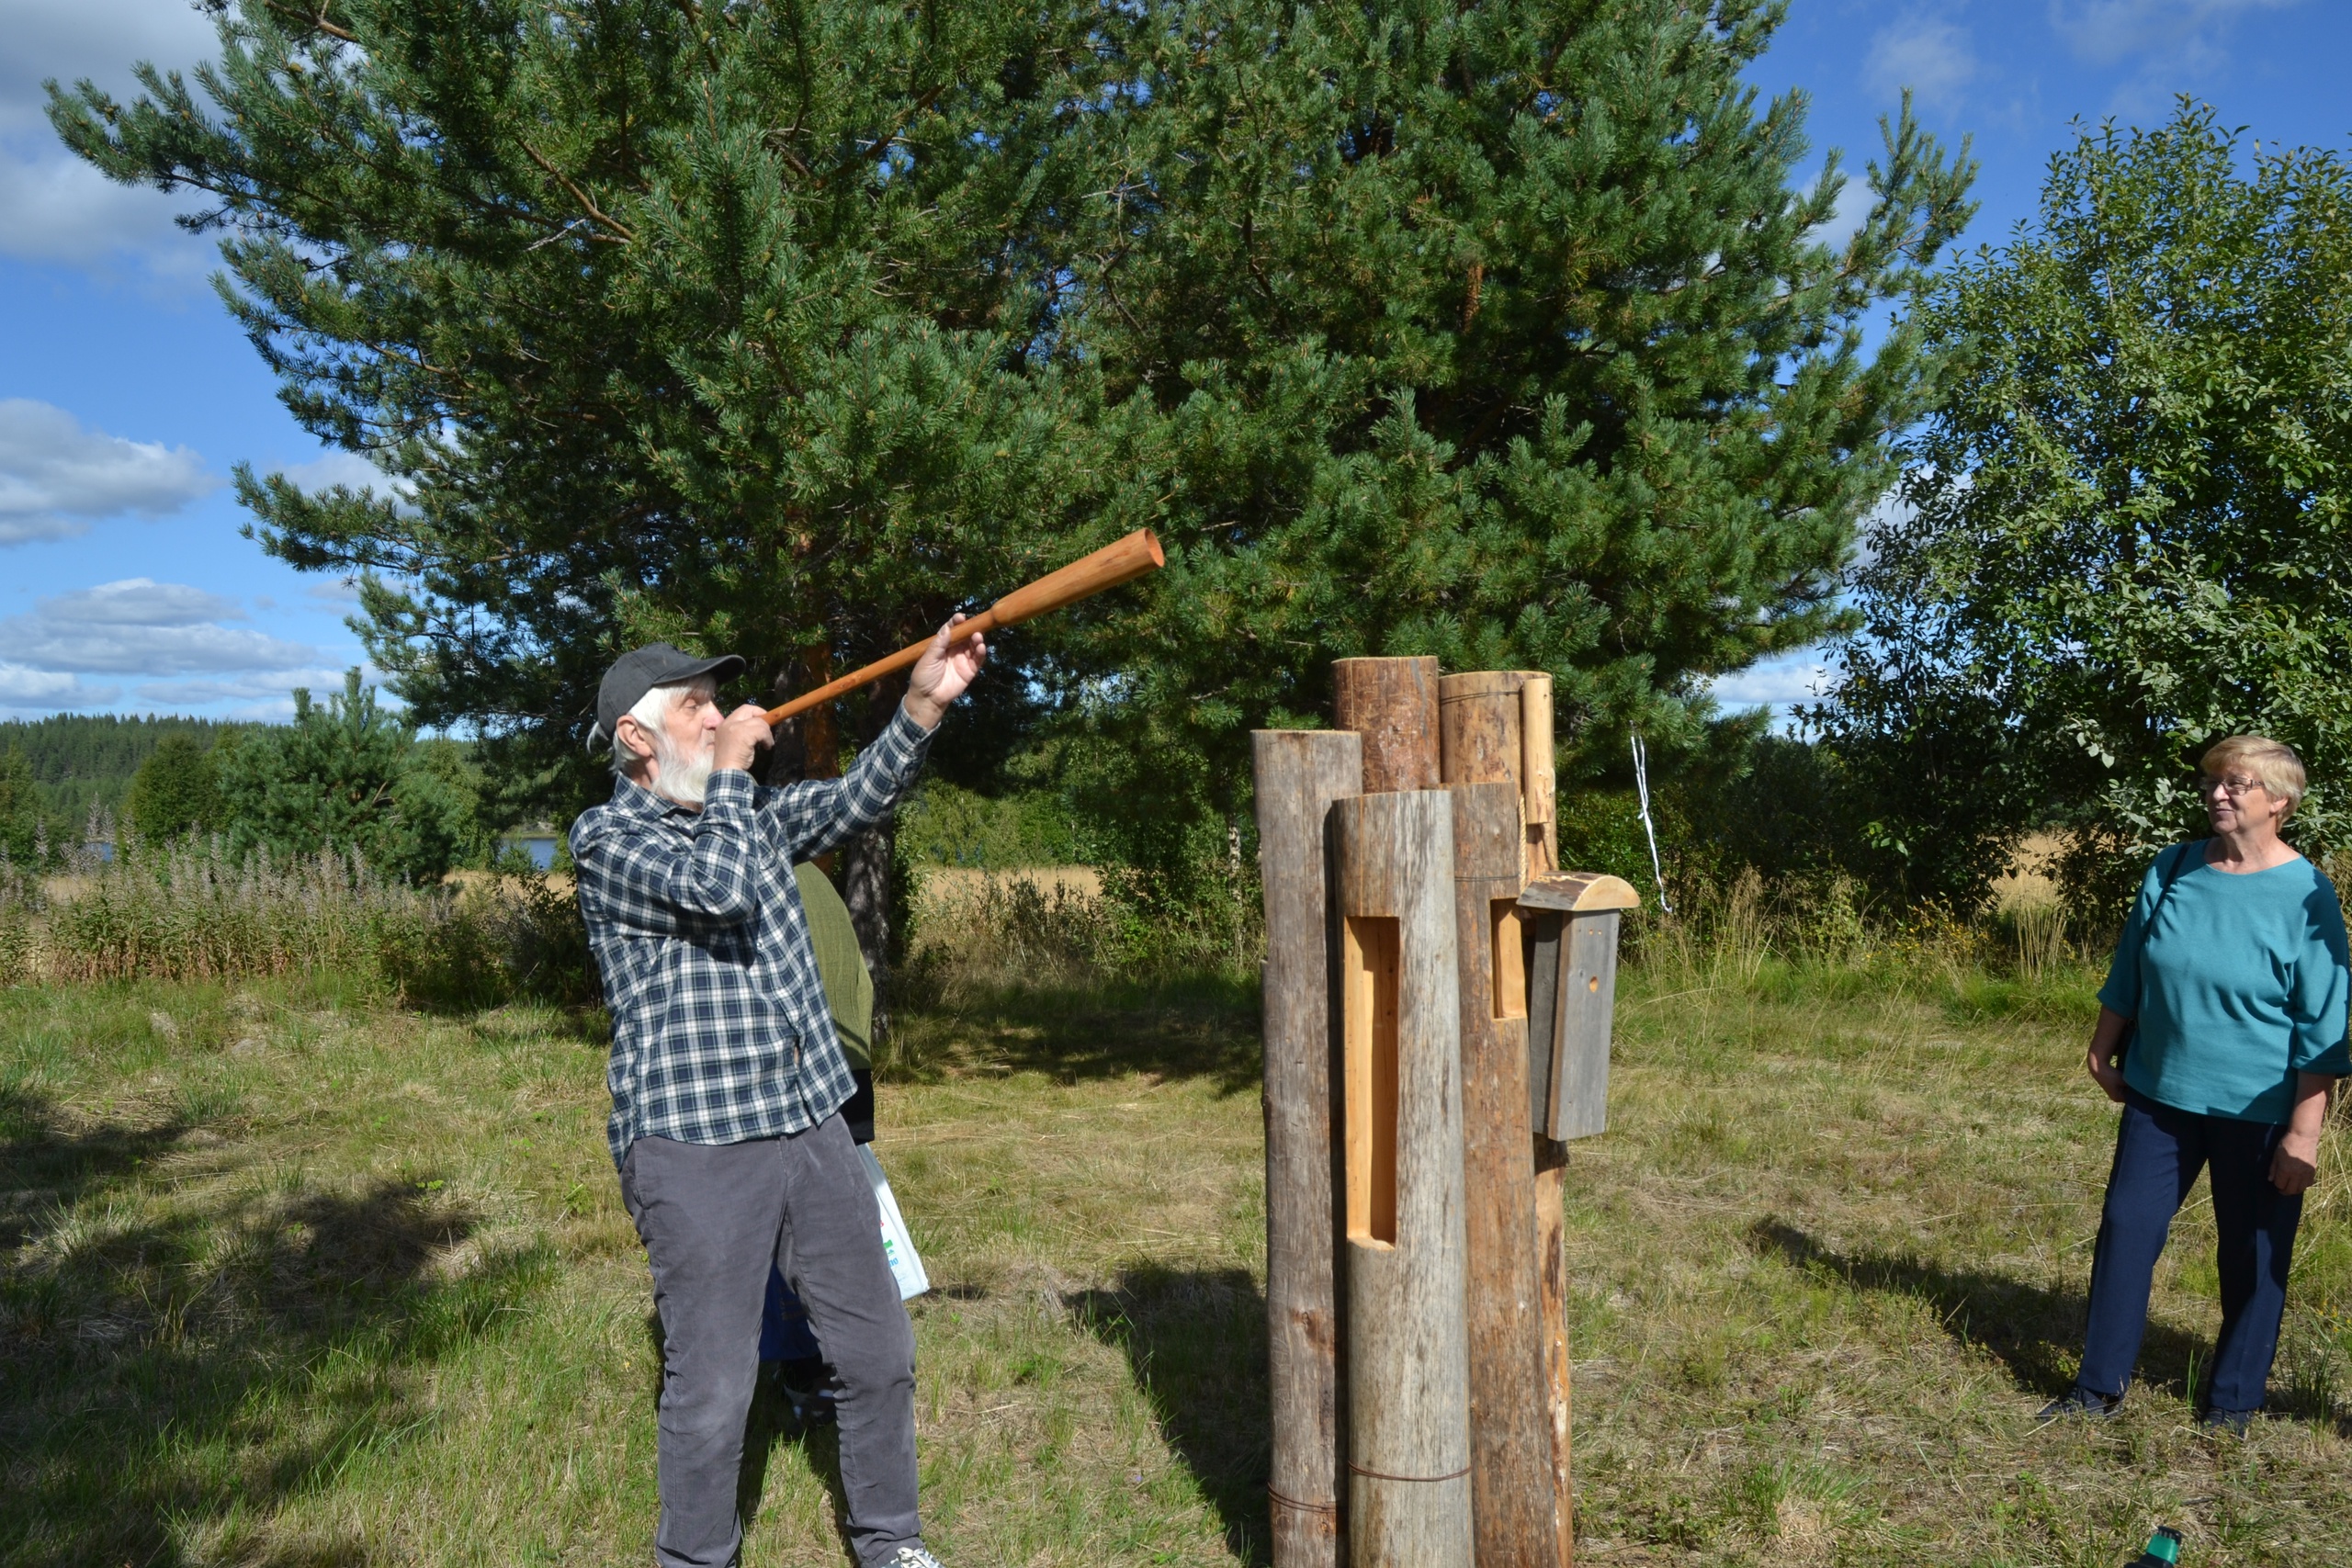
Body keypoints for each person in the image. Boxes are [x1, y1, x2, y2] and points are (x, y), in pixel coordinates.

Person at [571, 621, 984, 1568]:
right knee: (713, 1388)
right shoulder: (608, 838)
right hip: (695, 1143)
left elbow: (851, 802)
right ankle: (696, 1560)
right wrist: (729, 773)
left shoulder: (741, 812)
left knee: (876, 1351)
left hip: (812, 1121)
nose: (718, 719)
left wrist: (924, 702)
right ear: (638, 739)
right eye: (696, 708)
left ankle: (890, 1542)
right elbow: (718, 891)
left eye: (719, 702)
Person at [2042, 735, 2350, 1433]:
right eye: (2215, 781)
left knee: (2251, 1252)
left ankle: (2233, 1401)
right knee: (2126, 1228)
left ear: (2280, 801)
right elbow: (2132, 965)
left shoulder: (2307, 894)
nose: (2217, 792)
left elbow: (2323, 1022)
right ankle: (2097, 1388)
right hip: (2161, 1092)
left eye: (2237, 783)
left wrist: (2305, 1130)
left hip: (2259, 1108)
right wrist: (2102, 1050)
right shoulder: (2174, 867)